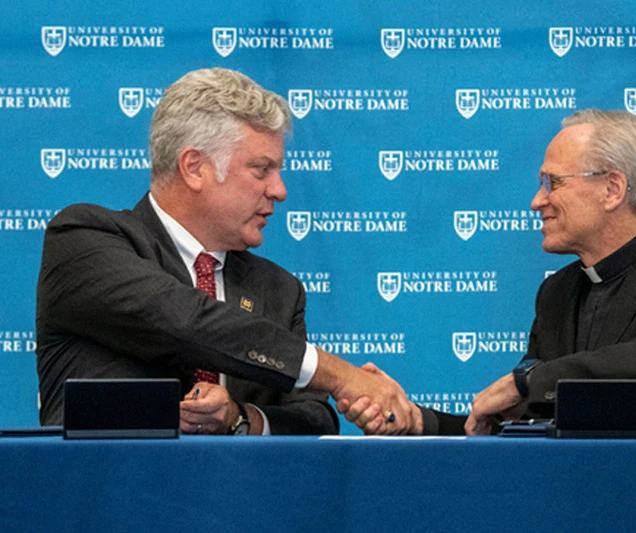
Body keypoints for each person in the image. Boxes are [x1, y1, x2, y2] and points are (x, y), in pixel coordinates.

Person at [36, 67, 415, 435]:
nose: (280, 190)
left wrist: (240, 418)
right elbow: (187, 322)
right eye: (261, 169)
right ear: (195, 167)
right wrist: (340, 375)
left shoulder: (280, 290)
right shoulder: (83, 240)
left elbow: (315, 420)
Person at [339, 109, 636, 437]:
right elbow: (519, 423)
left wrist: (528, 380)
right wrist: (418, 422)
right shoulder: (559, 293)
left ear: (612, 189)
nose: (538, 201)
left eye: (552, 183)